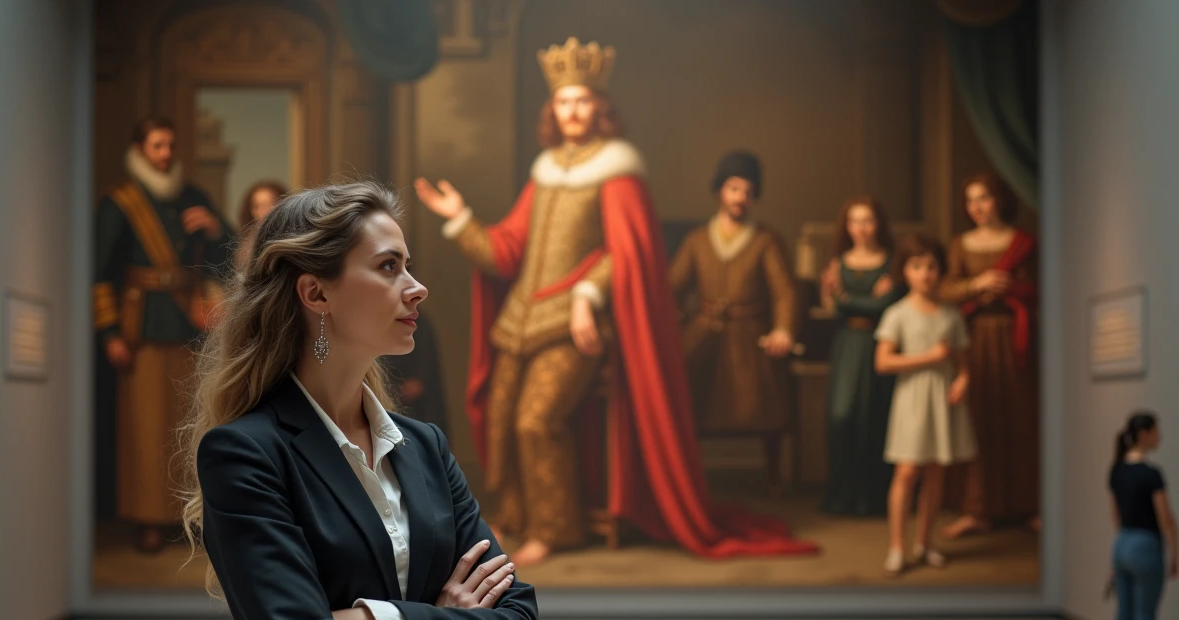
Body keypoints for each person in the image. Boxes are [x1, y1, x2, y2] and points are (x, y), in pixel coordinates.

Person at [176, 182, 541, 620]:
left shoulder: (424, 448)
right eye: (389, 267)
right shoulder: (247, 453)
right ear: (316, 293)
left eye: (409, 265)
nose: (416, 286)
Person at [416, 37, 816, 566]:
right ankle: (517, 518)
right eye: (563, 102)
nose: (572, 111)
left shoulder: (618, 169)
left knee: (537, 421)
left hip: (578, 325)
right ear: (552, 110)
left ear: (600, 107)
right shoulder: (546, 169)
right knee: (501, 414)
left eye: (582, 101)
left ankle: (556, 530)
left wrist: (586, 294)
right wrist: (460, 218)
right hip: (520, 321)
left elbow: (627, 254)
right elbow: (507, 251)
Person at [92, 115, 232, 553]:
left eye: (170, 145)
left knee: (188, 426)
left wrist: (213, 229)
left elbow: (226, 252)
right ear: (140, 150)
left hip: (192, 325)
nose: (166, 154)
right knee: (145, 429)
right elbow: (98, 274)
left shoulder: (191, 196)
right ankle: (149, 519)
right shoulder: (121, 202)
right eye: (157, 146)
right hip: (143, 329)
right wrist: (109, 332)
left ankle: (186, 516)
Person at [669, 151, 798, 442]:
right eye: (734, 189)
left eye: (747, 191)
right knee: (686, 403)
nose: (740, 197)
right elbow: (672, 288)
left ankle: (773, 480)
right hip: (703, 332)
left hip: (749, 335)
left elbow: (784, 291)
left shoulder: (766, 239)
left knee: (764, 409)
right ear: (719, 191)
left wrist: (783, 329)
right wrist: (674, 323)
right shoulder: (697, 240)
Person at [939, 173, 1039, 538]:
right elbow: (946, 289)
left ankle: (1030, 505)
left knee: (1022, 417)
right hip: (976, 338)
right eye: (970, 200)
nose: (976, 207)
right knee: (979, 419)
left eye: (983, 198)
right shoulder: (961, 244)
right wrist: (976, 285)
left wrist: (1012, 288)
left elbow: (1040, 288)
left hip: (1017, 338)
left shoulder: (1022, 242)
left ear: (999, 199)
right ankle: (976, 509)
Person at [874, 235, 976, 577]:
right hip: (912, 399)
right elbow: (884, 362)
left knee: (936, 472)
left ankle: (925, 543)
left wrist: (963, 379)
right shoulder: (898, 313)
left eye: (932, 266)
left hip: (943, 399)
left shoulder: (951, 314)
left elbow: (962, 360)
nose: (925, 273)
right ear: (905, 271)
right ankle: (897, 547)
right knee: (906, 472)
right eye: (917, 266)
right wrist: (928, 358)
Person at [819, 196, 901, 517]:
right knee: (841, 417)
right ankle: (843, 497)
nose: (861, 228)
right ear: (846, 226)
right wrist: (845, 300)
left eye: (867, 220)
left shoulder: (892, 263)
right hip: (848, 344)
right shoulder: (837, 263)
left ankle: (873, 500)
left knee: (875, 417)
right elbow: (833, 309)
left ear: (878, 223)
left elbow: (884, 307)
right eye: (855, 221)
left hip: (880, 343)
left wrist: (844, 298)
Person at [1106, 411, 1176, 620]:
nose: (1160, 436)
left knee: (1123, 615)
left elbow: (1116, 516)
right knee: (1145, 616)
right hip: (1146, 546)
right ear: (1144, 434)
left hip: (1122, 543)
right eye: (1157, 430)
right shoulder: (1151, 474)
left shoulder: (1117, 470)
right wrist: (1177, 550)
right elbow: (1166, 518)